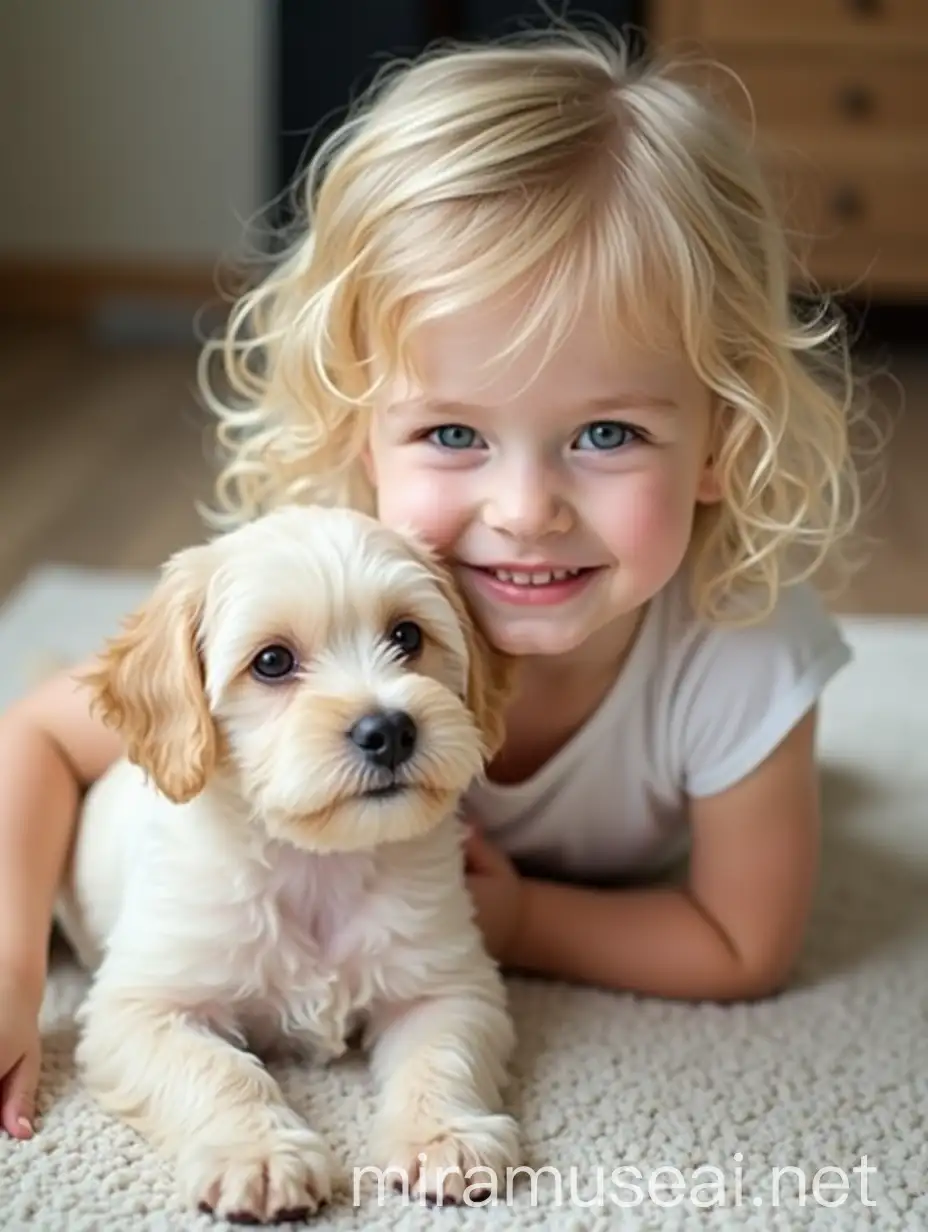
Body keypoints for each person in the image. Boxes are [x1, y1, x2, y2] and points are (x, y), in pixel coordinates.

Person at [0, 25, 874, 1140]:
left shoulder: (739, 645)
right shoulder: (322, 582)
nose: (523, 507)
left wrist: (517, 915)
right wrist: (15, 963)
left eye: (605, 430)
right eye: (454, 430)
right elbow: (34, 737)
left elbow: (741, 943)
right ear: (359, 430)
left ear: (722, 435)